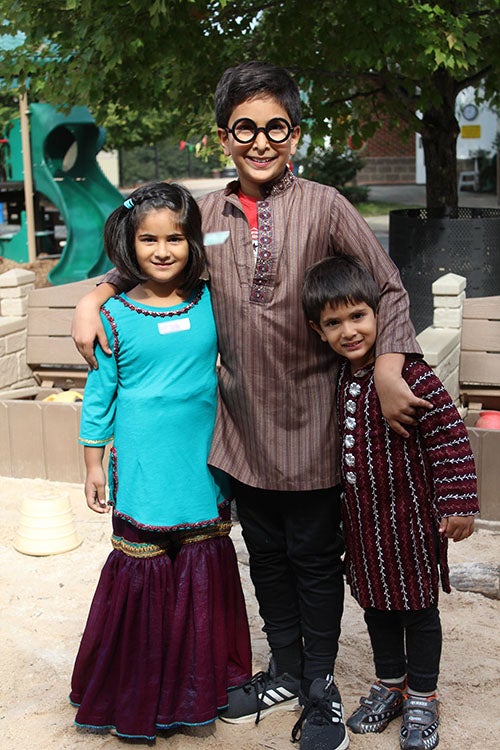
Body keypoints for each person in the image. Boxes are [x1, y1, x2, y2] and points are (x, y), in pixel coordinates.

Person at [71, 62, 432, 750]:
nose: (261, 141)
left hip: (316, 423)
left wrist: (388, 366)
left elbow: (388, 288)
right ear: (223, 137)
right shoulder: (203, 212)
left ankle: (319, 683)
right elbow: (147, 260)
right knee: (264, 555)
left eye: (276, 127)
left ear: (294, 134)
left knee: (315, 557)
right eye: (246, 128)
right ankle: (287, 669)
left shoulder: (325, 206)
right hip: (237, 431)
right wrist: (92, 297)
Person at [69, 182, 252, 740]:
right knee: (144, 572)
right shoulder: (114, 316)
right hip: (144, 471)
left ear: (192, 241)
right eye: (149, 239)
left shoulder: (211, 301)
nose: (163, 249)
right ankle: (138, 696)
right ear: (129, 244)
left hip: (201, 467)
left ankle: (198, 694)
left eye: (176, 237)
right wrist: (93, 464)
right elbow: (99, 397)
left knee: (200, 572)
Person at [301, 254, 479, 750]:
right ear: (319, 332)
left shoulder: (412, 377)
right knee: (377, 609)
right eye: (333, 323)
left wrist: (459, 504)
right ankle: (391, 686)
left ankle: (423, 696)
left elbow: (450, 440)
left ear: (380, 313)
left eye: (357, 316)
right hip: (363, 528)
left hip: (412, 525)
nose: (348, 331)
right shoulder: (339, 377)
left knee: (419, 610)